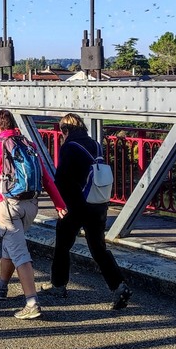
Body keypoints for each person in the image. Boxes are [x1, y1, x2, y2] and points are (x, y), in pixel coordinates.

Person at [0, 110, 61, 320]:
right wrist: (59, 204)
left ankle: (32, 302)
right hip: (31, 206)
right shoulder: (28, 145)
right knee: (11, 245)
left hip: (8, 205)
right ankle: (2, 286)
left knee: (19, 252)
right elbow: (47, 178)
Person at [47, 113, 132, 310]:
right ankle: (119, 286)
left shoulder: (69, 147)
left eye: (62, 131)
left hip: (76, 205)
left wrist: (61, 205)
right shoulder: (95, 145)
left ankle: (58, 285)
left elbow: (61, 179)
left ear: (65, 130)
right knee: (98, 249)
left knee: (62, 245)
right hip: (98, 203)